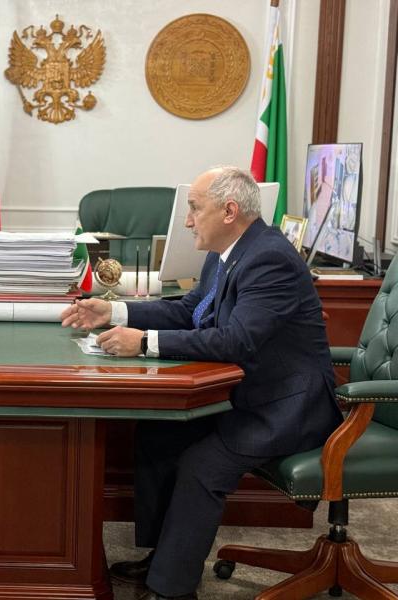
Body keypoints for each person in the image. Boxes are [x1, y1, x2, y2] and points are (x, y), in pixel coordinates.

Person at [60, 166, 342, 600]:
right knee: (159, 433)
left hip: (284, 405)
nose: (188, 221)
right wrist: (114, 312)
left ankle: (172, 589)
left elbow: (237, 339)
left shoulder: (270, 259)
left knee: (201, 465)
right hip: (246, 393)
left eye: (194, 209)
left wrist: (145, 343)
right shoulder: (226, 251)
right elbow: (191, 310)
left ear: (229, 211)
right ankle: (164, 558)